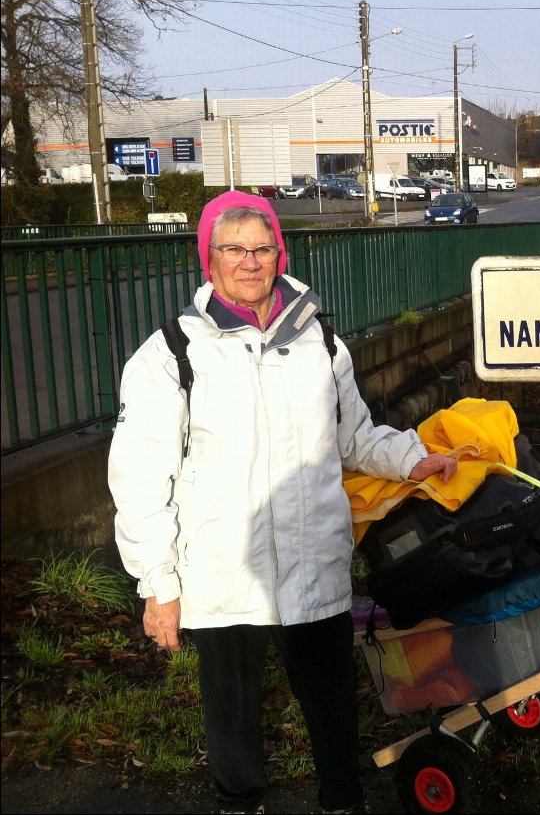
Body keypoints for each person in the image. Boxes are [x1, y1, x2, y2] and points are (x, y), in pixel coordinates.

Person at [108, 190, 456, 815]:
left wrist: (410, 458)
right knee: (232, 711)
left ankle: (342, 802)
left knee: (330, 700)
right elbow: (138, 476)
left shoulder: (320, 341)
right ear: (208, 259)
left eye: (261, 248)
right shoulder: (172, 355)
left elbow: (352, 435)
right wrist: (157, 583)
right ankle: (241, 804)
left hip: (312, 559)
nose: (249, 261)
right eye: (233, 248)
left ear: (279, 254)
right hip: (222, 571)